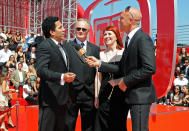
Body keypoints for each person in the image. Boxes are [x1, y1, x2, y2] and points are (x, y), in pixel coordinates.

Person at [86, 6, 157, 131]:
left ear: (130, 20)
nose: (118, 21)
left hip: (140, 96)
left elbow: (149, 68)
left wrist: (124, 81)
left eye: (121, 18)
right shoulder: (129, 40)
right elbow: (121, 68)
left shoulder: (142, 38)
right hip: (132, 96)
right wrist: (100, 64)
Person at [35, 16, 76, 131]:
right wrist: (62, 77)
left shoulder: (61, 47)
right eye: (60, 27)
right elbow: (41, 70)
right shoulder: (45, 46)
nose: (64, 29)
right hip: (49, 101)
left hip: (62, 101)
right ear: (52, 32)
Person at [63, 18, 100, 131]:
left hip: (89, 93)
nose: (80, 31)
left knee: (89, 126)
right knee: (68, 125)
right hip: (71, 93)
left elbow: (97, 73)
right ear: (75, 30)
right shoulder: (66, 47)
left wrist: (96, 95)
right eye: (78, 28)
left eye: (83, 29)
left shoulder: (95, 49)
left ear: (88, 31)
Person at [94, 26, 126, 131]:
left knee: (118, 125)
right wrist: (96, 96)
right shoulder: (101, 54)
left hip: (120, 95)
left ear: (116, 36)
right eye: (105, 34)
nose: (106, 36)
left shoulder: (124, 52)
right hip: (104, 96)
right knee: (102, 125)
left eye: (109, 34)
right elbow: (98, 77)